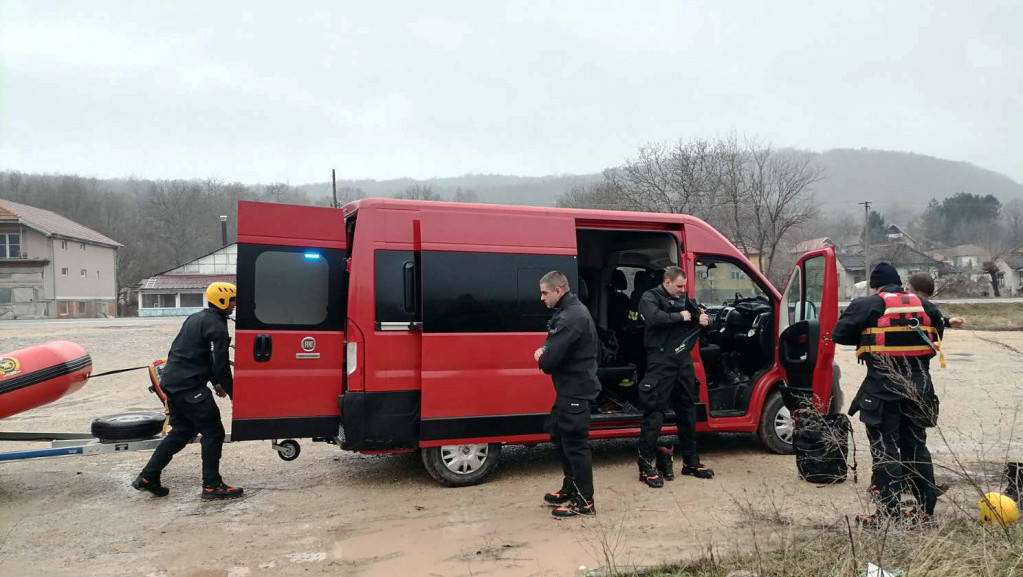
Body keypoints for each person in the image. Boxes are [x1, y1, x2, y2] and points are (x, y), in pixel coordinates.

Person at [834, 263, 944, 528]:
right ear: (900, 282)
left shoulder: (869, 305)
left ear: (875, 286)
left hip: (883, 388)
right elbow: (938, 333)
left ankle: (888, 512)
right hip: (920, 389)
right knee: (917, 446)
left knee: (885, 449)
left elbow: (839, 334)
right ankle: (925, 511)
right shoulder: (925, 306)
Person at [132, 282, 243, 501]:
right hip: (189, 386)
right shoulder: (217, 326)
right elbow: (219, 364)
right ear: (222, 300)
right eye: (232, 300)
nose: (234, 305)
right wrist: (234, 394)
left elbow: (197, 355)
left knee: (182, 432)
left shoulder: (196, 318)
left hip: (173, 383)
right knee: (213, 432)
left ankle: (147, 477)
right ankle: (211, 486)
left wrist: (215, 383)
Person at [636, 266, 712, 488]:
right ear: (667, 282)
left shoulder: (687, 300)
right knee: (655, 413)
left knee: (687, 410)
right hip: (661, 363)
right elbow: (654, 318)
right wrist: (680, 316)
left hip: (683, 362)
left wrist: (705, 320)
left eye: (684, 287)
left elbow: (701, 317)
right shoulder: (650, 297)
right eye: (679, 286)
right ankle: (645, 465)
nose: (682, 291)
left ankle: (691, 461)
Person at [534, 271, 601, 518]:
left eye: (544, 292)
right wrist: (546, 351)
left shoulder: (572, 316)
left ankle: (584, 503)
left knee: (575, 445)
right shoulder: (568, 313)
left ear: (558, 291)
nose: (541, 298)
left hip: (576, 391)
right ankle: (570, 488)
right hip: (569, 389)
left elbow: (549, 357)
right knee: (560, 436)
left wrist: (542, 357)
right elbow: (552, 346)